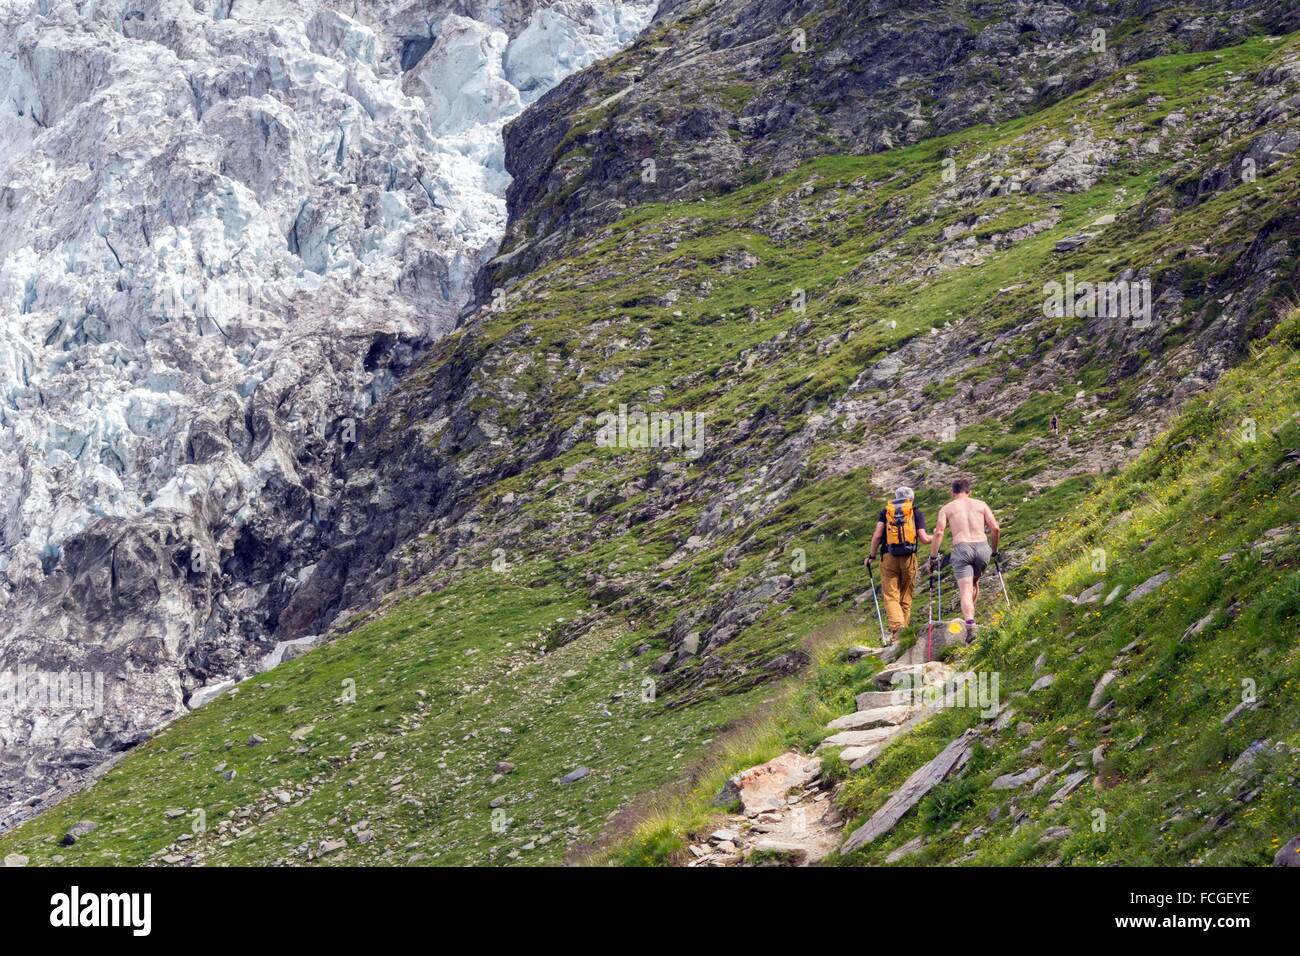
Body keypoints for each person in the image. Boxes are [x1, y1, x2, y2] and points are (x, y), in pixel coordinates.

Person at [928, 477, 1000, 635]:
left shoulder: (947, 508)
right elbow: (995, 528)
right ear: (969, 491)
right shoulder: (981, 504)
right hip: (982, 547)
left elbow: (939, 532)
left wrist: (933, 558)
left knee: (965, 590)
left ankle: (970, 623)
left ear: (952, 492)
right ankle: (972, 617)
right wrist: (994, 551)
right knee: (974, 582)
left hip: (962, 547)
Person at [864, 486, 931, 644]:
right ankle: (902, 631)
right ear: (912, 499)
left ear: (895, 497)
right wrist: (937, 536)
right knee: (906, 595)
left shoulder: (886, 512)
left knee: (890, 595)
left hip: (888, 556)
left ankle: (897, 630)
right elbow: (923, 538)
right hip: (909, 557)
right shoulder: (915, 511)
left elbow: (877, 535)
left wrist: (871, 556)